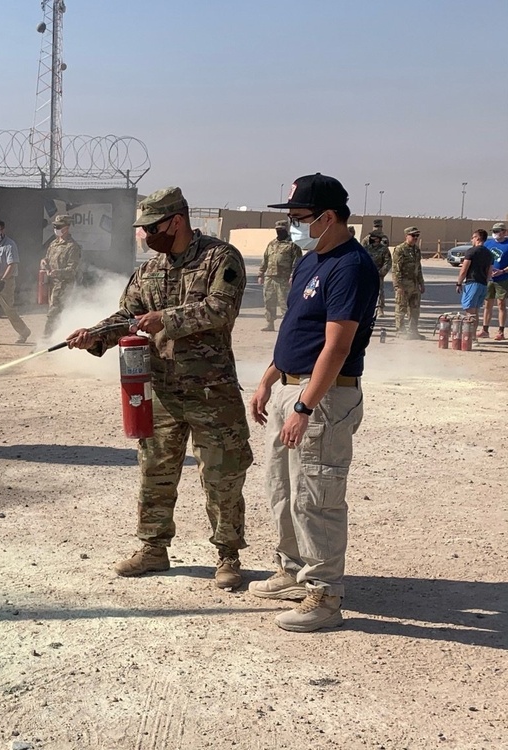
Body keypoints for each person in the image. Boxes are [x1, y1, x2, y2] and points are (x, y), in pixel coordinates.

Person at [66, 187, 252, 590]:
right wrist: (94, 334)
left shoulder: (221, 258)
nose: (147, 235)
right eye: (144, 229)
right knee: (155, 472)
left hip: (211, 391)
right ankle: (153, 549)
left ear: (177, 221)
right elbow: (128, 316)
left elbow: (221, 309)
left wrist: (164, 318)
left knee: (221, 475)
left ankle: (228, 555)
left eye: (152, 227)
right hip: (163, 390)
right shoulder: (150, 271)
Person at [248, 173, 379, 632]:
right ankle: (291, 571)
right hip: (289, 386)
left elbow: (337, 346)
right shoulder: (311, 259)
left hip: (322, 396)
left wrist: (304, 406)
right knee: (281, 489)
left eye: (300, 218)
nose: (293, 227)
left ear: (328, 217)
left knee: (316, 494)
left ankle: (324, 594)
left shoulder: (351, 266)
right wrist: (269, 378)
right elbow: (296, 328)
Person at [41, 213, 83, 337]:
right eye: (55, 226)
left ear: (66, 228)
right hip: (52, 283)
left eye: (59, 227)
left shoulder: (72, 247)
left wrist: (58, 272)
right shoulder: (54, 244)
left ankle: (46, 338)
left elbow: (72, 270)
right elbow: (48, 258)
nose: (56, 229)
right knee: (57, 311)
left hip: (64, 285)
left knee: (54, 312)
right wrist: (44, 262)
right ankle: (59, 335)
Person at [257, 219, 302, 331]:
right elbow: (265, 259)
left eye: (281, 230)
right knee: (269, 301)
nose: (279, 232)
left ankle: (288, 326)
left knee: (285, 302)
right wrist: (261, 273)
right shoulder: (272, 244)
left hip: (284, 278)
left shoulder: (293, 245)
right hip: (270, 277)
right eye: (277, 230)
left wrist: (293, 276)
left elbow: (297, 262)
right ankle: (270, 324)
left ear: (286, 230)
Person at [391, 226, 426, 339]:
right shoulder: (400, 249)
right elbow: (396, 269)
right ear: (406, 236)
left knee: (415, 309)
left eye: (417, 236)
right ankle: (401, 331)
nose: (415, 238)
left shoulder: (416, 250)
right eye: (413, 235)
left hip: (414, 284)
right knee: (401, 308)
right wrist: (398, 286)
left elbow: (418, 267)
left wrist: (421, 283)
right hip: (404, 284)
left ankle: (413, 331)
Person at [480, 222, 508, 340]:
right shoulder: (488, 244)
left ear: (504, 232)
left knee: (501, 304)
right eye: (494, 231)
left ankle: (501, 331)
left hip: (502, 279)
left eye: (497, 231)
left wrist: (503, 271)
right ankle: (485, 329)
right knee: (488, 304)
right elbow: (482, 259)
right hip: (489, 278)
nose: (495, 234)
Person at [456, 229, 492, 321]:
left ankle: (468, 334)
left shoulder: (471, 251)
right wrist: (485, 283)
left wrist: (459, 283)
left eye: (472, 238)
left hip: (472, 283)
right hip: (483, 284)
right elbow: (489, 272)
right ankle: (472, 334)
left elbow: (464, 270)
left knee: (470, 312)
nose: (472, 240)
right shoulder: (489, 254)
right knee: (475, 312)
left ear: (477, 238)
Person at [364, 230, 392, 317]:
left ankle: (380, 308)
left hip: (378, 274)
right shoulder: (367, 248)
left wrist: (381, 272)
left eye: (373, 237)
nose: (371, 239)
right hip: (367, 274)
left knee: (379, 291)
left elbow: (388, 262)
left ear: (377, 239)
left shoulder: (384, 249)